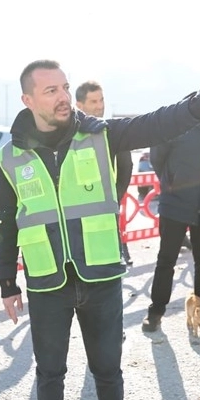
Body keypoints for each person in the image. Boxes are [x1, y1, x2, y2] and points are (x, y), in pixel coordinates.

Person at [0, 59, 200, 400]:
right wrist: (8, 283)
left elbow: (157, 124)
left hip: (101, 276)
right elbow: (5, 222)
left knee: (107, 372)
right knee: (49, 374)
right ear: (28, 100)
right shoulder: (10, 156)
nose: (63, 97)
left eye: (65, 88)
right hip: (47, 282)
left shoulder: (101, 135)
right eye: (51, 91)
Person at [141, 81, 200, 335]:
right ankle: (156, 310)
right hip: (176, 202)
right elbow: (158, 157)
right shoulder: (177, 117)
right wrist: (173, 183)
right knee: (166, 260)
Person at [74, 80, 134, 266]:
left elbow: (126, 167)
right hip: (75, 212)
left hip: (106, 210)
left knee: (109, 264)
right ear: (79, 105)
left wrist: (114, 197)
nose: (100, 106)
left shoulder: (111, 132)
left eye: (101, 100)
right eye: (93, 101)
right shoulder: (68, 135)